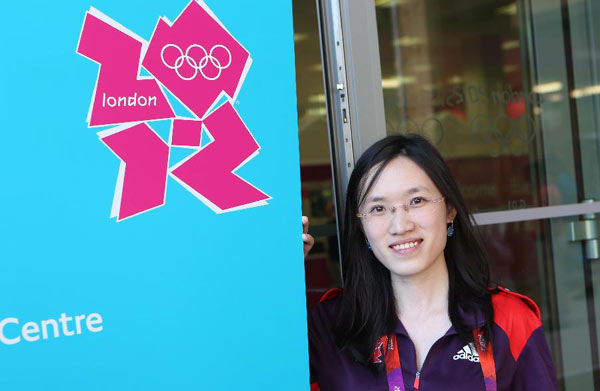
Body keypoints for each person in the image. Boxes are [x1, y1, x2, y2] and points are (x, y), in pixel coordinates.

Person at [303, 134, 557, 390]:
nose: (400, 226)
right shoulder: (329, 327)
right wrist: (276, 269)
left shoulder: (509, 319)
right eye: (378, 208)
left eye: (417, 201)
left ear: (450, 209)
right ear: (361, 226)